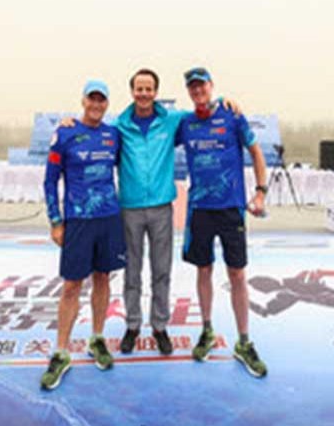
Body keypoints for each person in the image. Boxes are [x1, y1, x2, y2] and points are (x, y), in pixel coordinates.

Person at [62, 70, 240, 357]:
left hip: (161, 208)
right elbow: (93, 132)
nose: (144, 94)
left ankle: (159, 326)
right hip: (129, 208)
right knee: (132, 272)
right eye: (139, 89)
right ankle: (132, 326)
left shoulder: (171, 121)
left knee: (162, 271)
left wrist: (222, 100)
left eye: (149, 89)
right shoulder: (119, 126)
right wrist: (70, 123)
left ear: (156, 92)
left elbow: (201, 110)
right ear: (132, 91)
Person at [175, 67, 269, 378]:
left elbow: (256, 153)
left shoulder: (232, 116)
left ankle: (244, 341)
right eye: (193, 87)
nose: (198, 91)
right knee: (204, 270)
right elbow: (152, 129)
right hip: (200, 209)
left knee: (237, 274)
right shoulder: (185, 123)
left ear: (211, 87)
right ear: (189, 92)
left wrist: (260, 192)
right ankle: (206, 331)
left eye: (202, 86)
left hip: (231, 208)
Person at [40, 80, 125, 391]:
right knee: (72, 285)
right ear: (83, 100)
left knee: (103, 279)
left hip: (108, 217)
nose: (97, 105)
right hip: (77, 221)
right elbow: (50, 181)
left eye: (102, 100)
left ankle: (97, 339)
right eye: (92, 99)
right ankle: (61, 352)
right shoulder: (64, 134)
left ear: (106, 104)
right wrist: (55, 221)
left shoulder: (112, 135)